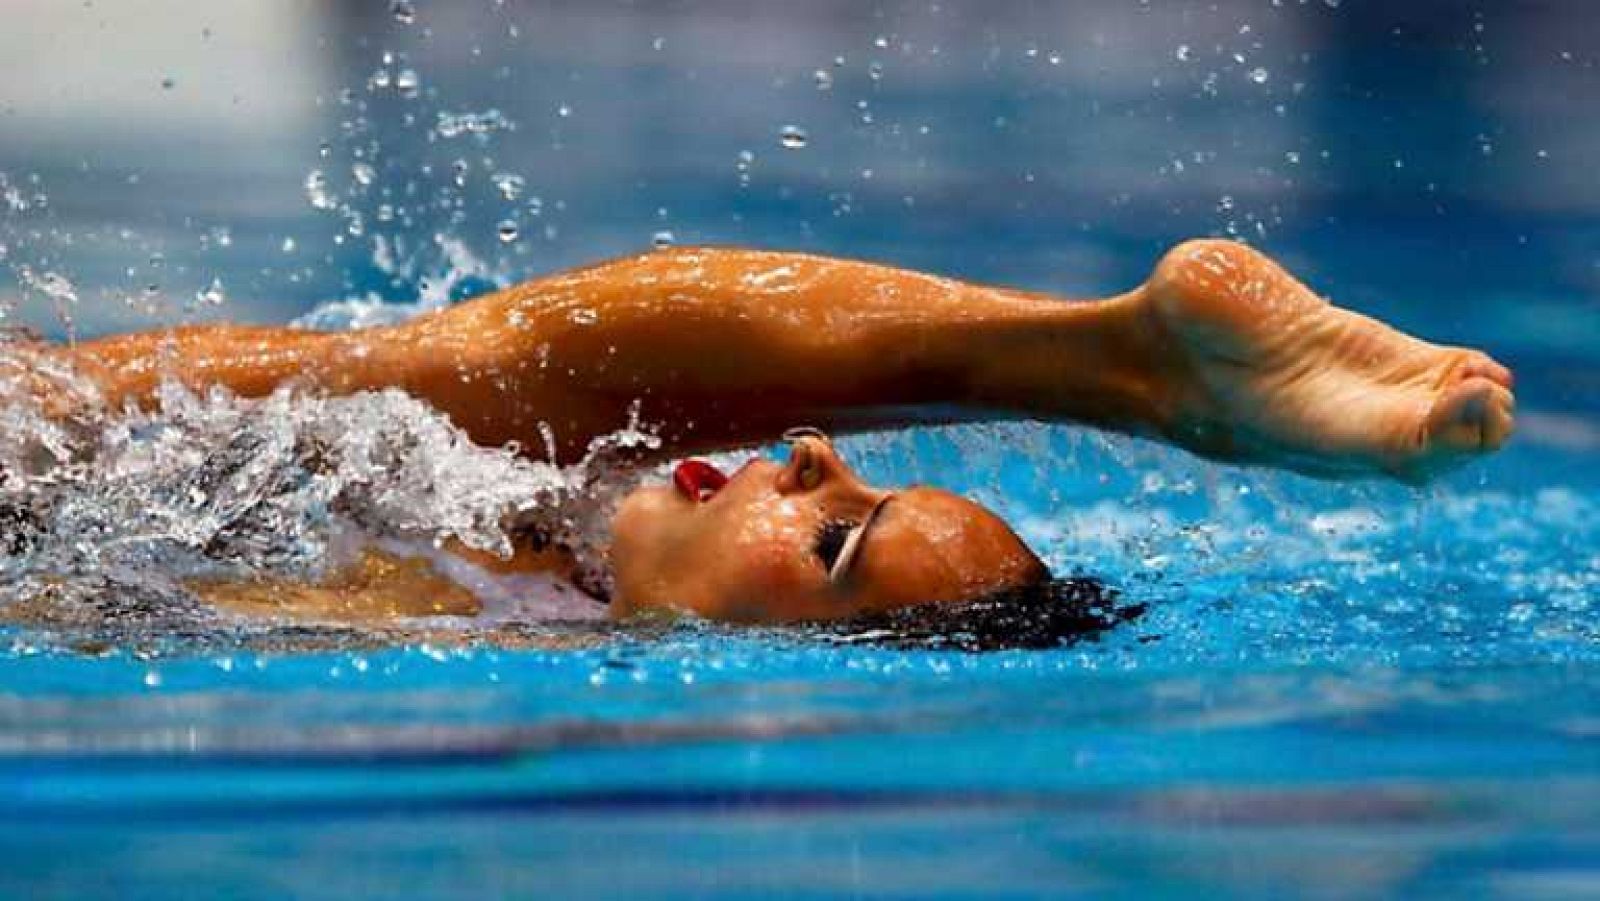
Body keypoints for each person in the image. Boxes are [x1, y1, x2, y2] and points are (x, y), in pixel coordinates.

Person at [35, 239, 1514, 634]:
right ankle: (1111, 361)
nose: (813, 454)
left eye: (835, 542)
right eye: (863, 477)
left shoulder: (469, 632)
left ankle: (1113, 365)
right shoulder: (539, 565)